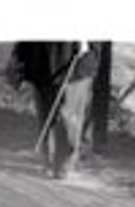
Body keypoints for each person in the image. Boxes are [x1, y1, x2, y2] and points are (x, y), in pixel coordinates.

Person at [10, 42, 99, 178]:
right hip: (41, 53)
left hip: (73, 56)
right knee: (45, 108)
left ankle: (63, 162)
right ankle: (49, 158)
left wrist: (87, 41)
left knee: (68, 113)